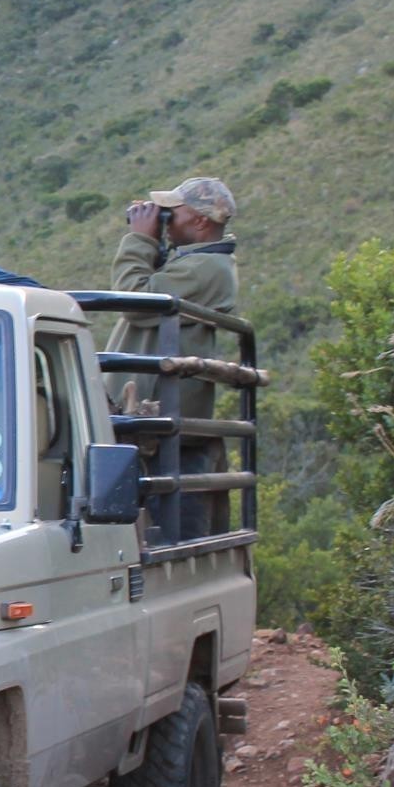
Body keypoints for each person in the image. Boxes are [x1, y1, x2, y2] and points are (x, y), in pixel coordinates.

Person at [107, 174, 239, 536]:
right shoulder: (197, 263)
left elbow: (135, 299)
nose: (164, 218)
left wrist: (139, 239)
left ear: (199, 220)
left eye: (171, 212)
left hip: (156, 417)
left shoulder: (208, 268)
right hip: (149, 412)